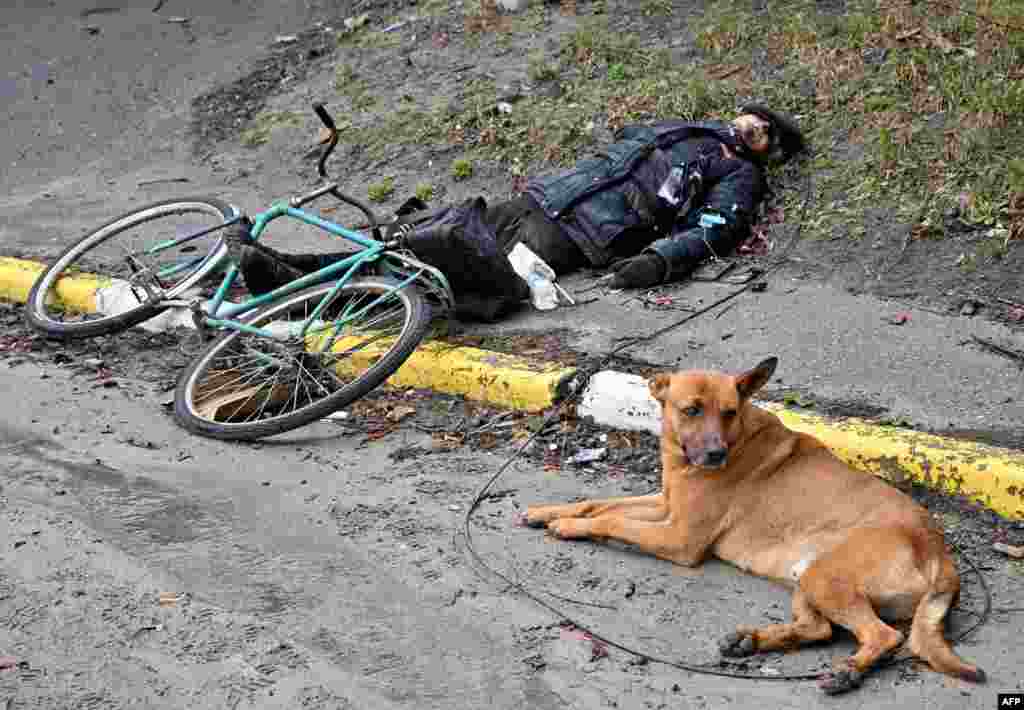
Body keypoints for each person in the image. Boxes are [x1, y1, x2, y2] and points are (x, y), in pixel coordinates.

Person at [228, 103, 804, 318]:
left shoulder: (738, 175)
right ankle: (292, 266)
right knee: (413, 240)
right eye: (754, 118)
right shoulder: (682, 129)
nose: (753, 126)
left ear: (767, 150)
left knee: (450, 278)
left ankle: (288, 287)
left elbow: (716, 228)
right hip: (538, 201)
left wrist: (656, 260)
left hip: (573, 238)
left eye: (764, 132)